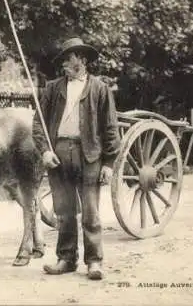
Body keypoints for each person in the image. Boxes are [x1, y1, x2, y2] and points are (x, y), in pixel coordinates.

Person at [32, 37, 121, 280]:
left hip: (89, 155)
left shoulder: (100, 89)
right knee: (64, 211)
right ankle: (66, 259)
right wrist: (45, 151)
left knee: (91, 212)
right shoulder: (52, 88)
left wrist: (109, 164)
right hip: (58, 154)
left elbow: (111, 128)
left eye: (68, 58)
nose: (63, 64)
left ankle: (94, 261)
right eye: (62, 59)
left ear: (82, 60)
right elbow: (38, 123)